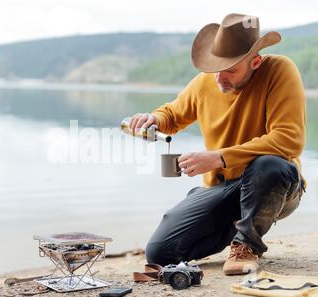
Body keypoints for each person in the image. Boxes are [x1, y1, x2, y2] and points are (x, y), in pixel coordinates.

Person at [128, 13, 306, 275]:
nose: (220, 78)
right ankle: (239, 225)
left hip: (276, 185)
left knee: (269, 166)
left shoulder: (279, 71)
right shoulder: (206, 82)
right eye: (215, 70)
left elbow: (289, 139)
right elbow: (173, 114)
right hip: (225, 188)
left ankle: (247, 246)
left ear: (255, 62)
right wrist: (154, 118)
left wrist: (219, 157)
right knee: (160, 254)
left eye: (231, 70)